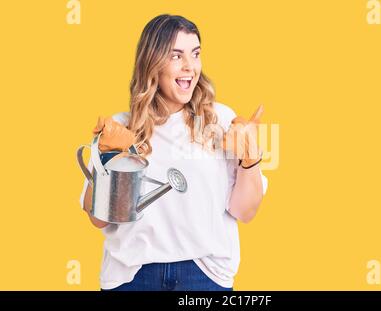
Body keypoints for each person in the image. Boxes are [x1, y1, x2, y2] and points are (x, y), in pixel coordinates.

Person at [79, 14, 268, 291]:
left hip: (204, 276)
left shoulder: (221, 121)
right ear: (152, 63)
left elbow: (245, 212)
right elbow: (98, 219)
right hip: (132, 276)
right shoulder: (121, 127)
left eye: (196, 54)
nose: (190, 67)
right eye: (176, 56)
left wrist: (250, 159)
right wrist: (109, 155)